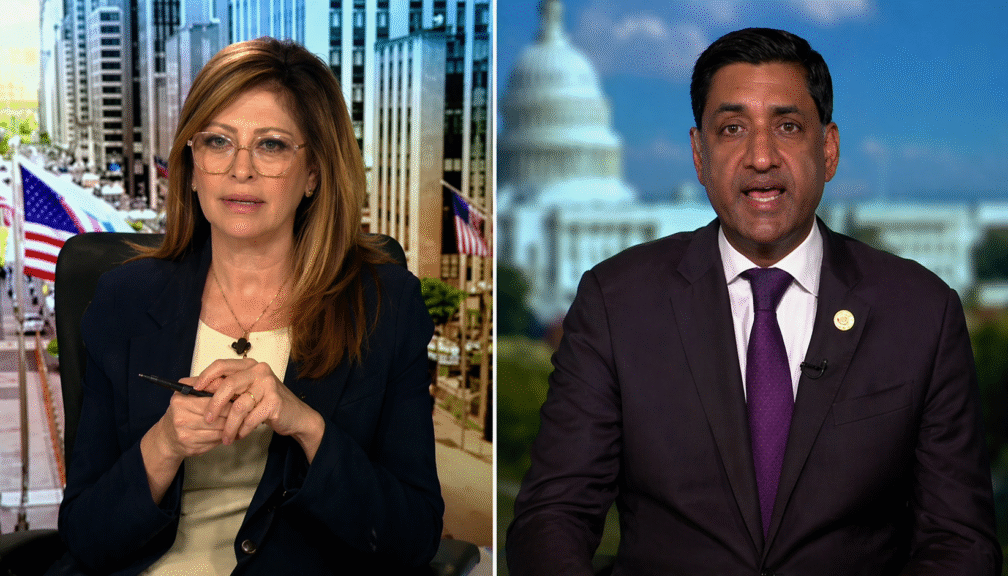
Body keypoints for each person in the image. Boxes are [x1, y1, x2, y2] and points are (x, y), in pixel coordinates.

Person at [506, 28, 1000, 575]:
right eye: (732, 128)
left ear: (829, 149)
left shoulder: (920, 313)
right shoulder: (618, 303)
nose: (760, 157)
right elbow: (552, 518)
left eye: (787, 127)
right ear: (698, 154)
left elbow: (961, 544)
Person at [51, 37, 443, 575]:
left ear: (314, 174)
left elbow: (412, 536)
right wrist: (164, 445)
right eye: (217, 141)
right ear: (191, 166)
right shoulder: (124, 300)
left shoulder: (384, 307)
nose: (241, 170)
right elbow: (84, 536)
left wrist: (305, 424)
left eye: (272, 145)